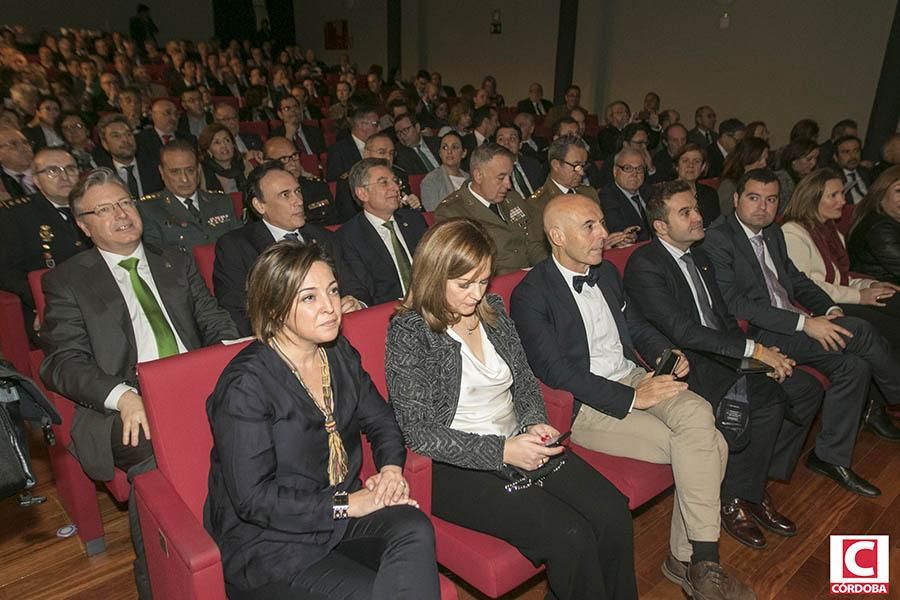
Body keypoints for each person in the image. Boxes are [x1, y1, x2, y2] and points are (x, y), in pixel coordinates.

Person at [510, 194, 753, 599]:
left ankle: (698, 561)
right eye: (590, 226)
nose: (603, 234)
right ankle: (691, 562)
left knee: (700, 418)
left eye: (601, 222)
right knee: (710, 443)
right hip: (588, 405)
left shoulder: (604, 273)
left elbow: (635, 323)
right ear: (556, 236)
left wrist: (661, 353)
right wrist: (631, 399)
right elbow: (555, 372)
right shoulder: (531, 294)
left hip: (636, 376)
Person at [386, 218, 637, 599]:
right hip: (455, 466)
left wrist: (535, 420)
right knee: (570, 536)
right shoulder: (410, 332)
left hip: (519, 443)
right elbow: (420, 432)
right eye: (464, 284)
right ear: (434, 276)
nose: (476, 294)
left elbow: (525, 383)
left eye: (483, 280)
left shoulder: (493, 312)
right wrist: (502, 450)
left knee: (612, 513)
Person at [40, 167, 238, 597]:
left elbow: (212, 319)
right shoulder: (67, 280)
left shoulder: (174, 258)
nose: (122, 215)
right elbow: (61, 363)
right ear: (83, 224)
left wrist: (229, 358)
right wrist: (122, 395)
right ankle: (162, 579)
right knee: (154, 448)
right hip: (123, 405)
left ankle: (256, 547)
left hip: (191, 385)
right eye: (105, 209)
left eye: (126, 203)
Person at [205, 241, 439, 600]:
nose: (331, 308)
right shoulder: (245, 386)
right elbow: (253, 500)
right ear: (274, 307)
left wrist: (391, 469)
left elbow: (381, 421)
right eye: (310, 298)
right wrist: (349, 504)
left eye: (332, 290)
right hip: (272, 542)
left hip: (338, 515)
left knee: (415, 527)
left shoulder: (338, 352)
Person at [625, 180, 824, 548]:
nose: (699, 216)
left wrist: (759, 349)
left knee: (806, 389)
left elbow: (724, 319)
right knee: (767, 399)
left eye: (696, 208)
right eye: (685, 212)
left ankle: (752, 483)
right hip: (690, 361)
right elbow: (684, 332)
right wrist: (753, 352)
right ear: (661, 226)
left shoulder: (699, 255)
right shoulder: (645, 264)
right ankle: (733, 498)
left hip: (723, 350)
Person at [704, 169, 900, 496]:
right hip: (762, 332)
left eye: (771, 200)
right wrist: (804, 323)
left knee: (855, 366)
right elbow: (735, 302)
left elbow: (797, 281)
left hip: (795, 321)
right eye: (753, 198)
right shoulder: (719, 238)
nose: (762, 207)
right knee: (862, 331)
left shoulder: (774, 233)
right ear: (736, 199)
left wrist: (829, 309)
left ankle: (829, 457)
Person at [782, 169, 900, 438]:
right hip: (816, 311)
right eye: (833, 195)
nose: (842, 202)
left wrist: (870, 286)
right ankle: (882, 401)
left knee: (894, 299)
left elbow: (841, 277)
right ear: (813, 199)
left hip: (836, 299)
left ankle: (875, 404)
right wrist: (861, 295)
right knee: (889, 327)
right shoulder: (793, 233)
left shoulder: (829, 231)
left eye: (842, 195)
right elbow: (807, 287)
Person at [214, 161, 365, 336]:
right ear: (259, 205)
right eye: (285, 195)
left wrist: (357, 304)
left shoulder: (325, 238)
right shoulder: (236, 247)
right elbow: (237, 312)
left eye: (298, 191)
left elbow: (356, 288)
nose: (299, 201)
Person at [0, 148, 92, 339]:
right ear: (36, 179)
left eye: (70, 169)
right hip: (51, 303)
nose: (64, 176)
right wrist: (42, 304)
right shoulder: (16, 215)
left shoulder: (93, 207)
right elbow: (7, 271)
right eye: (52, 171)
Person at [434, 143, 546, 274]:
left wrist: (548, 271)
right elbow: (467, 269)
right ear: (478, 176)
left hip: (531, 279)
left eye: (509, 176)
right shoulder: (452, 212)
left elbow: (534, 244)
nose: (508, 184)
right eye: (501, 177)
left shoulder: (513, 199)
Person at [338, 158, 428, 305]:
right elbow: (364, 293)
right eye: (384, 182)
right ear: (362, 193)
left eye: (395, 181)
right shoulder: (348, 237)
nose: (395, 187)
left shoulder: (414, 220)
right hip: (391, 313)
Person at [138, 139, 239, 253]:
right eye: (175, 172)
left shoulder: (222, 202)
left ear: (199, 169)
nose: (184, 179)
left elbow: (240, 245)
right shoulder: (149, 210)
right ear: (162, 172)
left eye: (190, 170)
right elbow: (157, 259)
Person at [849, 166, 900, 284]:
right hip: (884, 291)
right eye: (899, 191)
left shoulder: (889, 218)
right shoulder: (879, 228)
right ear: (881, 193)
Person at [93, 113, 159, 198]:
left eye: (128, 134)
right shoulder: (102, 177)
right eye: (116, 136)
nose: (125, 140)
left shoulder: (154, 166)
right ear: (105, 144)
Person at [597, 147, 652, 241]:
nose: (635, 174)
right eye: (628, 168)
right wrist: (627, 236)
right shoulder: (607, 195)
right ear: (615, 171)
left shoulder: (649, 191)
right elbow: (617, 229)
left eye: (639, 169)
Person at [717, 138, 770, 218]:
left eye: (765, 159)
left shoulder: (763, 183)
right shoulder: (729, 185)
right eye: (759, 160)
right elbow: (727, 215)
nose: (764, 164)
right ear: (746, 160)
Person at [326, 106, 379, 180]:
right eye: (375, 124)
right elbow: (334, 182)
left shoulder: (380, 145)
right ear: (363, 125)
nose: (379, 128)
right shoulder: (338, 150)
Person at [198, 123, 251, 194]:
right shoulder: (201, 170)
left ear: (233, 145)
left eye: (227, 140)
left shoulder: (245, 165)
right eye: (217, 142)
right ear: (208, 149)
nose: (224, 145)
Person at [420, 131, 468, 211]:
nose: (449, 152)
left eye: (455, 147)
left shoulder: (470, 178)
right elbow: (433, 213)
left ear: (464, 153)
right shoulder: (431, 180)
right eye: (445, 147)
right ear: (440, 153)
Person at [494, 124, 543, 198]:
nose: (506, 142)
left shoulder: (533, 164)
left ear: (520, 144)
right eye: (501, 139)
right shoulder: (491, 171)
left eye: (512, 139)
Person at [775, 138, 819, 213]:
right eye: (809, 159)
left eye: (816, 158)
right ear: (794, 161)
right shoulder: (782, 180)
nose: (813, 163)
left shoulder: (810, 177)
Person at [832, 135, 873, 205]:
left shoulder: (867, 172)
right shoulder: (832, 178)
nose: (853, 156)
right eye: (846, 152)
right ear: (836, 157)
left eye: (856, 151)